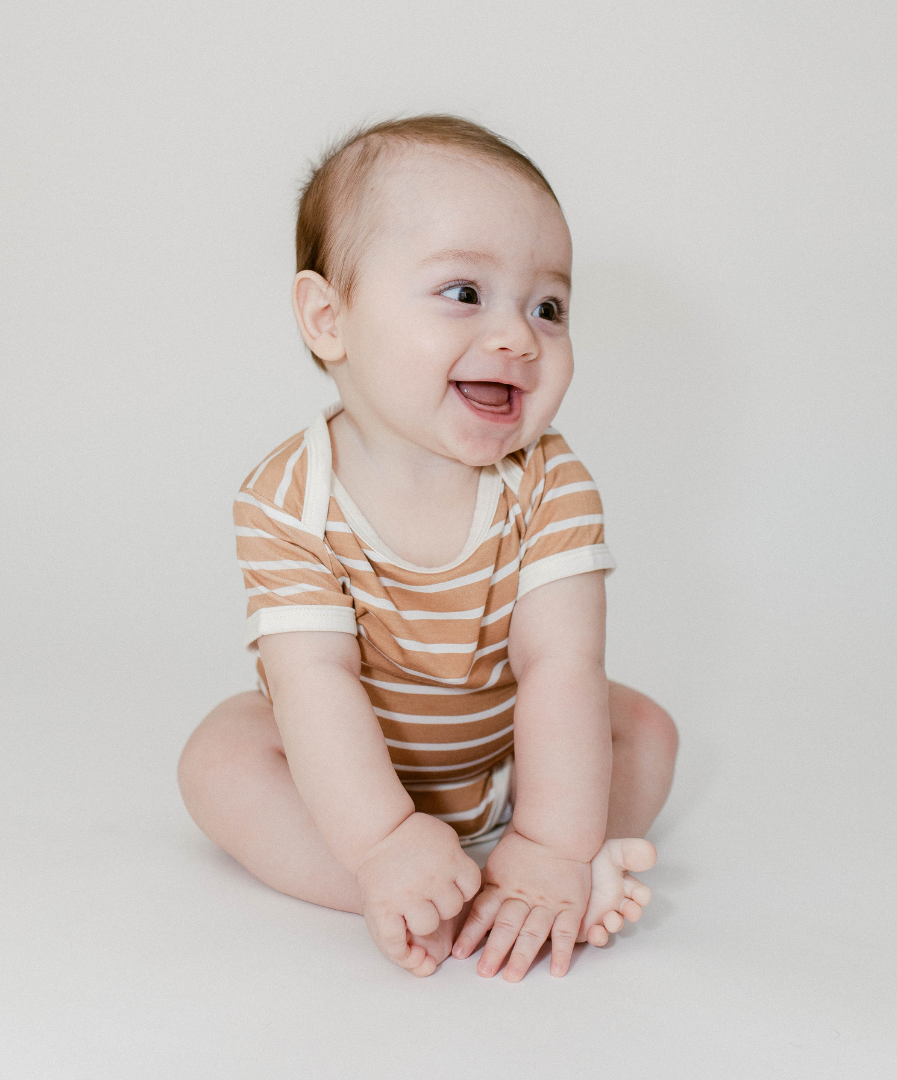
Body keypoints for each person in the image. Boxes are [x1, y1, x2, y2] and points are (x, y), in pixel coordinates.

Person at [178, 115, 678, 982]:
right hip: (341, 774)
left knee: (644, 730)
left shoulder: (549, 481)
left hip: (510, 758)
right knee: (218, 761)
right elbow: (315, 681)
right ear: (329, 319)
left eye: (548, 307)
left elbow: (561, 664)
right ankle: (400, 886)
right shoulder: (288, 496)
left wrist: (554, 841)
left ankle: (541, 879)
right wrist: (381, 839)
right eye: (464, 292)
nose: (519, 336)